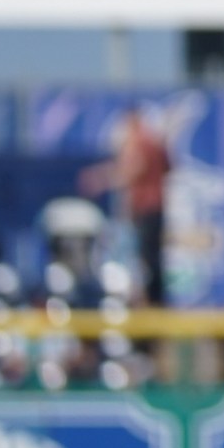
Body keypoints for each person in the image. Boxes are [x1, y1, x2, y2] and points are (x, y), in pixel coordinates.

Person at [78, 107, 171, 304]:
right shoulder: (154, 142)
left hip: (146, 209)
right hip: (154, 209)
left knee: (145, 262)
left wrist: (100, 179)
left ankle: (150, 306)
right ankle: (155, 304)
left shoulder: (140, 142)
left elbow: (131, 170)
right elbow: (168, 167)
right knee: (150, 260)